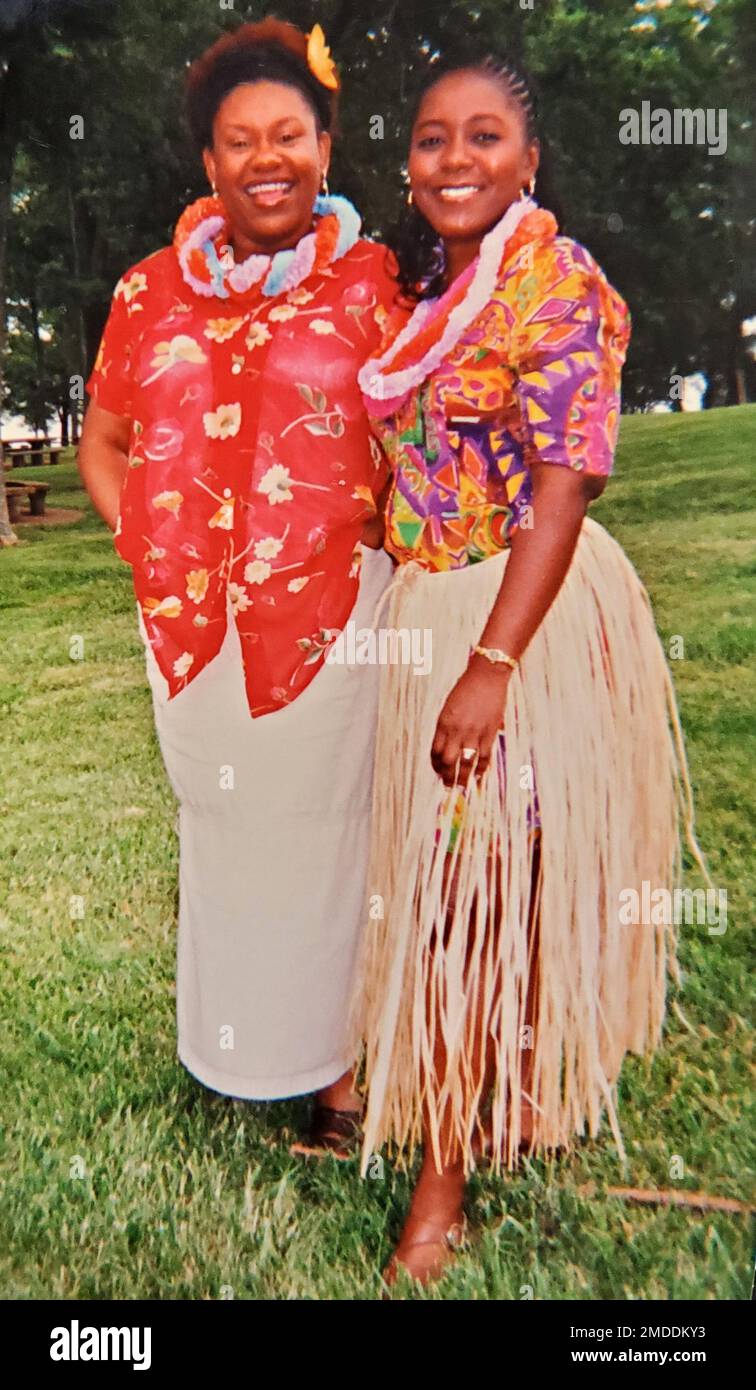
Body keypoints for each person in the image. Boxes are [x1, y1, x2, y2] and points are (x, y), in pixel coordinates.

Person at [349, 55, 708, 1286]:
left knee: (465, 901)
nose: (456, 159)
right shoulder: (425, 295)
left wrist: (491, 662)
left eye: (485, 137)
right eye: (434, 138)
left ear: (529, 161)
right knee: (480, 889)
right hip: (433, 602)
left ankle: (439, 1191)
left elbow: (562, 489)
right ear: (410, 164)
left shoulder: (557, 283)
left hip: (522, 617)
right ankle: (499, 1101)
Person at [78, 19, 397, 1155]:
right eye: (238, 140)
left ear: (325, 148)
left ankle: (339, 1075)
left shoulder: (371, 288)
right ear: (207, 164)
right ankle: (242, 1046)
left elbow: (416, 446)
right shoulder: (145, 291)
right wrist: (150, 548)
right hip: (189, 627)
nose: (267, 158)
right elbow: (103, 442)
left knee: (329, 836)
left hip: (329, 615)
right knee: (227, 828)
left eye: (290, 135)